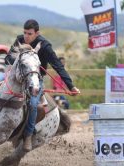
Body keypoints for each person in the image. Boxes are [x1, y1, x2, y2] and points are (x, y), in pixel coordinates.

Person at [5, 19, 80, 151]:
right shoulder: (19, 40)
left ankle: (28, 134)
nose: (26, 36)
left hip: (34, 79)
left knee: (34, 104)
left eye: (29, 33)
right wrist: (19, 57)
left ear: (37, 33)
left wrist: (71, 86)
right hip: (15, 76)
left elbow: (57, 66)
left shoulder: (45, 46)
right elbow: (8, 58)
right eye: (24, 33)